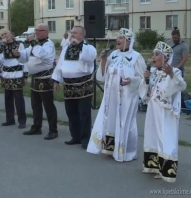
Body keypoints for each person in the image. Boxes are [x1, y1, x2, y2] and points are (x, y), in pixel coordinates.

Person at [86, 28, 147, 161]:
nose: (117, 40)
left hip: (127, 96)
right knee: (110, 119)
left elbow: (142, 78)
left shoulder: (136, 57)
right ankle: (109, 148)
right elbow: (103, 75)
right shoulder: (113, 54)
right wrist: (103, 60)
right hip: (111, 96)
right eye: (117, 38)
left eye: (121, 38)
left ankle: (126, 150)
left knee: (125, 122)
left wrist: (131, 81)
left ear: (129, 41)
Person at [142, 41, 187, 183]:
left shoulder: (175, 72)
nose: (153, 57)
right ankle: (154, 166)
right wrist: (145, 79)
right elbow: (148, 92)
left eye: (157, 54)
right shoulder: (154, 72)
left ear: (166, 58)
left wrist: (171, 74)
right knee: (153, 135)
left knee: (165, 137)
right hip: (153, 110)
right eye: (153, 54)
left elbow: (181, 85)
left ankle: (166, 170)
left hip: (165, 113)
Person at [52, 26, 97, 148]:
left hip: (83, 85)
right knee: (71, 112)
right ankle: (75, 136)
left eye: (75, 33)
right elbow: (60, 64)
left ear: (82, 35)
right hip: (69, 86)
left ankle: (85, 138)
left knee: (84, 113)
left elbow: (90, 58)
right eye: (71, 33)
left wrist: (80, 46)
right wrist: (56, 79)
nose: (72, 35)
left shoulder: (89, 48)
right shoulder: (66, 48)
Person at [15, 24, 58, 140]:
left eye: (40, 30)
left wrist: (33, 43)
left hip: (45, 78)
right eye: (36, 30)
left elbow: (42, 55)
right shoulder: (34, 44)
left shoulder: (49, 44)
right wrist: (18, 54)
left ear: (46, 32)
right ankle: (36, 126)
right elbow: (25, 57)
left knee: (48, 105)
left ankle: (53, 130)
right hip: (35, 78)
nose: (37, 32)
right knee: (35, 105)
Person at [0, 28, 28, 129]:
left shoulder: (19, 44)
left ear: (11, 35)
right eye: (2, 35)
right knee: (8, 99)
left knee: (19, 100)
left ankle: (22, 121)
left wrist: (25, 74)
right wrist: (2, 46)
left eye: (6, 34)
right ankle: (10, 119)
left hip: (17, 75)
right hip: (6, 75)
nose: (4, 36)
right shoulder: (2, 47)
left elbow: (24, 59)